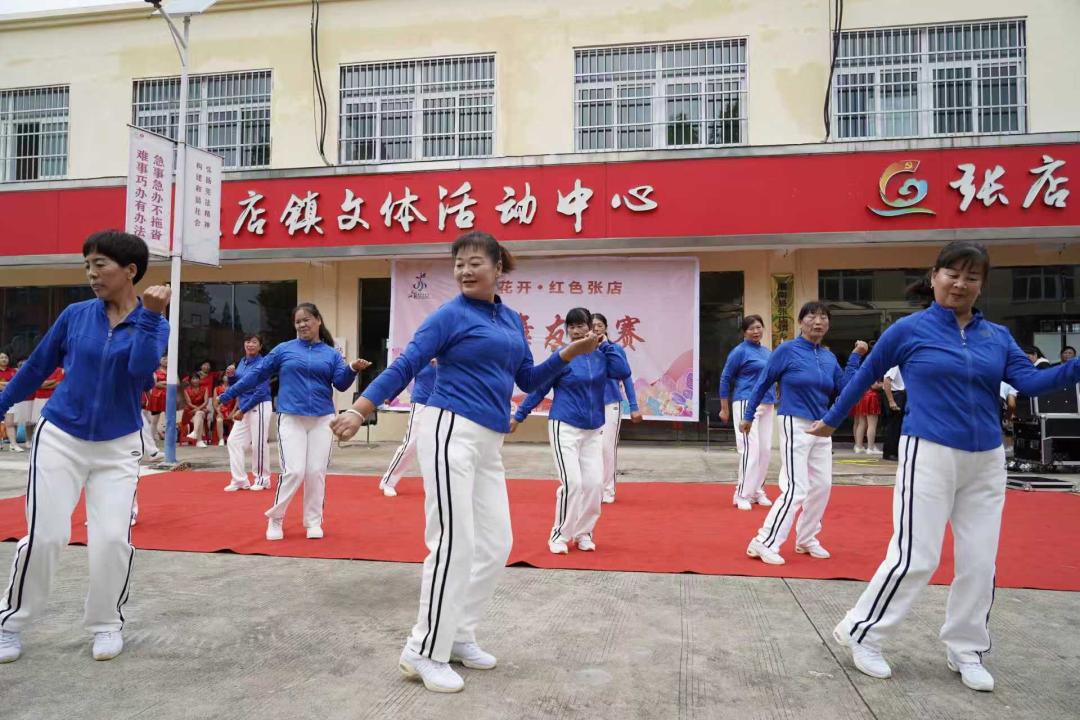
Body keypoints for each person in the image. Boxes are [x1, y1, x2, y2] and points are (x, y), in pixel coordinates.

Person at [330, 230, 602, 694]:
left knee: (497, 543)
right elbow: (407, 363)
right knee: (453, 543)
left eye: (475, 261)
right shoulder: (448, 315)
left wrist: (568, 353)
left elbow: (528, 377)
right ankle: (422, 649)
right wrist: (360, 408)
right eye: (458, 263)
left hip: (488, 441)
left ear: (499, 267)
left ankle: (457, 635)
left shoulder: (511, 320)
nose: (465, 270)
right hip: (449, 429)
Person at [808, 241, 1080, 693]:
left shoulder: (996, 336)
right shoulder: (908, 330)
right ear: (934, 276)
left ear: (982, 285)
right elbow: (864, 373)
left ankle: (966, 648)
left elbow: (1029, 381)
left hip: (987, 459)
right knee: (917, 555)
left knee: (979, 561)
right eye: (953, 273)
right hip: (929, 451)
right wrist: (832, 419)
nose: (961, 283)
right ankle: (864, 633)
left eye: (972, 277)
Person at [0, 229, 170, 664]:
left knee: (112, 538)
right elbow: (37, 366)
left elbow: (139, 372)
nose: (92, 274)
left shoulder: (154, 322)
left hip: (117, 446)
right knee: (45, 535)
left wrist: (150, 317)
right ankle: (11, 623)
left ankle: (106, 623)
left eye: (101, 265)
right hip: (61, 437)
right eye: (87, 265)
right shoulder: (76, 315)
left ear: (130, 270)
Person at [220, 303, 370, 540]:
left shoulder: (331, 353)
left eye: (306, 320)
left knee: (316, 472)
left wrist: (352, 368)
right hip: (291, 418)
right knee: (294, 471)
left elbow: (340, 383)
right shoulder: (284, 350)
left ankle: (312, 522)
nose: (302, 325)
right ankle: (275, 519)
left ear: (318, 321)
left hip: (322, 419)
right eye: (298, 321)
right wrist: (228, 394)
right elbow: (256, 375)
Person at [741, 302, 867, 566]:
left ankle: (806, 538)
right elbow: (763, 382)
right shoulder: (787, 351)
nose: (818, 321)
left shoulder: (829, 357)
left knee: (822, 486)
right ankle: (763, 541)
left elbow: (845, 388)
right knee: (796, 488)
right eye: (812, 316)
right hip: (794, 422)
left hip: (822, 426)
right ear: (801, 321)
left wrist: (855, 357)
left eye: (823, 317)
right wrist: (748, 415)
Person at [512, 307, 631, 554]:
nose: (577, 331)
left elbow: (623, 371)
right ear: (567, 331)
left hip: (593, 429)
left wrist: (605, 346)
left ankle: (584, 533)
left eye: (582, 326)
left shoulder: (602, 356)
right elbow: (539, 388)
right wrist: (519, 415)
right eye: (572, 327)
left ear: (592, 328)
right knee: (573, 483)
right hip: (564, 426)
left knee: (595, 484)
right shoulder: (563, 356)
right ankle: (559, 535)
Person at [719, 315, 776, 510]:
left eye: (759, 327)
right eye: (751, 328)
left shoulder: (767, 352)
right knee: (750, 450)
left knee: (765, 450)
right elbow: (725, 378)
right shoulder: (739, 352)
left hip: (767, 403)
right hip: (745, 402)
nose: (756, 331)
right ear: (744, 332)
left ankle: (757, 490)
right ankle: (741, 493)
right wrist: (724, 407)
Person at [589, 313, 642, 504]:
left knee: (606, 447)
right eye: (592, 325)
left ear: (605, 328)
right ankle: (592, 488)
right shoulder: (583, 350)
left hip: (610, 402)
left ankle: (608, 489)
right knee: (590, 447)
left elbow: (626, 376)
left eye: (599, 325)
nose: (596, 328)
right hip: (589, 404)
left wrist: (634, 406)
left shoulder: (613, 349)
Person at [379, 361, 437, 498]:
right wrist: (391, 396)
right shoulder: (422, 355)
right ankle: (388, 482)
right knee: (411, 443)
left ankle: (435, 486)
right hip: (421, 402)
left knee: (436, 447)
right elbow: (404, 377)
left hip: (441, 404)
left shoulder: (447, 354)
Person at [224, 335, 274, 492]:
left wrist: (242, 410)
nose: (250, 345)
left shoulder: (263, 364)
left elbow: (260, 392)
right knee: (234, 441)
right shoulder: (242, 362)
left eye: (254, 342)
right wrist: (231, 376)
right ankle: (239, 480)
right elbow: (239, 385)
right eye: (247, 342)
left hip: (259, 405)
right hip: (245, 407)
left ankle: (263, 479)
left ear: (260, 347)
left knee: (258, 443)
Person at [850, 378, 883, 454]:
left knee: (861, 423)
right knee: (872, 425)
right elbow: (874, 386)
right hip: (871, 396)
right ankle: (871, 448)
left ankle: (859, 446)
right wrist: (883, 385)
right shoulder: (874, 369)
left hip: (863, 396)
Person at [881, 366, 906, 461]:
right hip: (896, 394)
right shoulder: (895, 365)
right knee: (893, 425)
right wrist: (891, 401)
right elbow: (887, 381)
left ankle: (895, 451)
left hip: (901, 394)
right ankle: (890, 452)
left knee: (898, 425)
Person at [181, 372, 211, 447]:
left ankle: (194, 432)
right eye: (193, 379)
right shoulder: (186, 390)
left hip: (201, 409)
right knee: (200, 416)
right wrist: (198, 409)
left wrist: (198, 409)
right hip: (190, 411)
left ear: (199, 379)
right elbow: (189, 403)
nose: (195, 380)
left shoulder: (205, 389)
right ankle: (199, 441)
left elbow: (206, 401)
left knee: (199, 413)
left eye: (197, 378)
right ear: (190, 380)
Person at [0, 353, 19, 452]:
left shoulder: (13, 371)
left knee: (10, 423)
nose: (4, 359)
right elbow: (11, 384)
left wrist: (2, 384)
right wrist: (8, 384)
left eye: (6, 357)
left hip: (9, 399)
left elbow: (16, 383)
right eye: (2, 357)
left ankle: (13, 444)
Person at [213, 369, 236, 447]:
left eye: (228, 375)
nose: (226, 377)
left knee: (237, 420)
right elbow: (215, 403)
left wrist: (233, 412)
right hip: (221, 410)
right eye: (225, 375)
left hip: (231, 410)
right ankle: (221, 439)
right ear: (222, 377)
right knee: (219, 420)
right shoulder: (217, 388)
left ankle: (234, 439)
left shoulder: (234, 387)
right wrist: (219, 412)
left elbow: (238, 402)